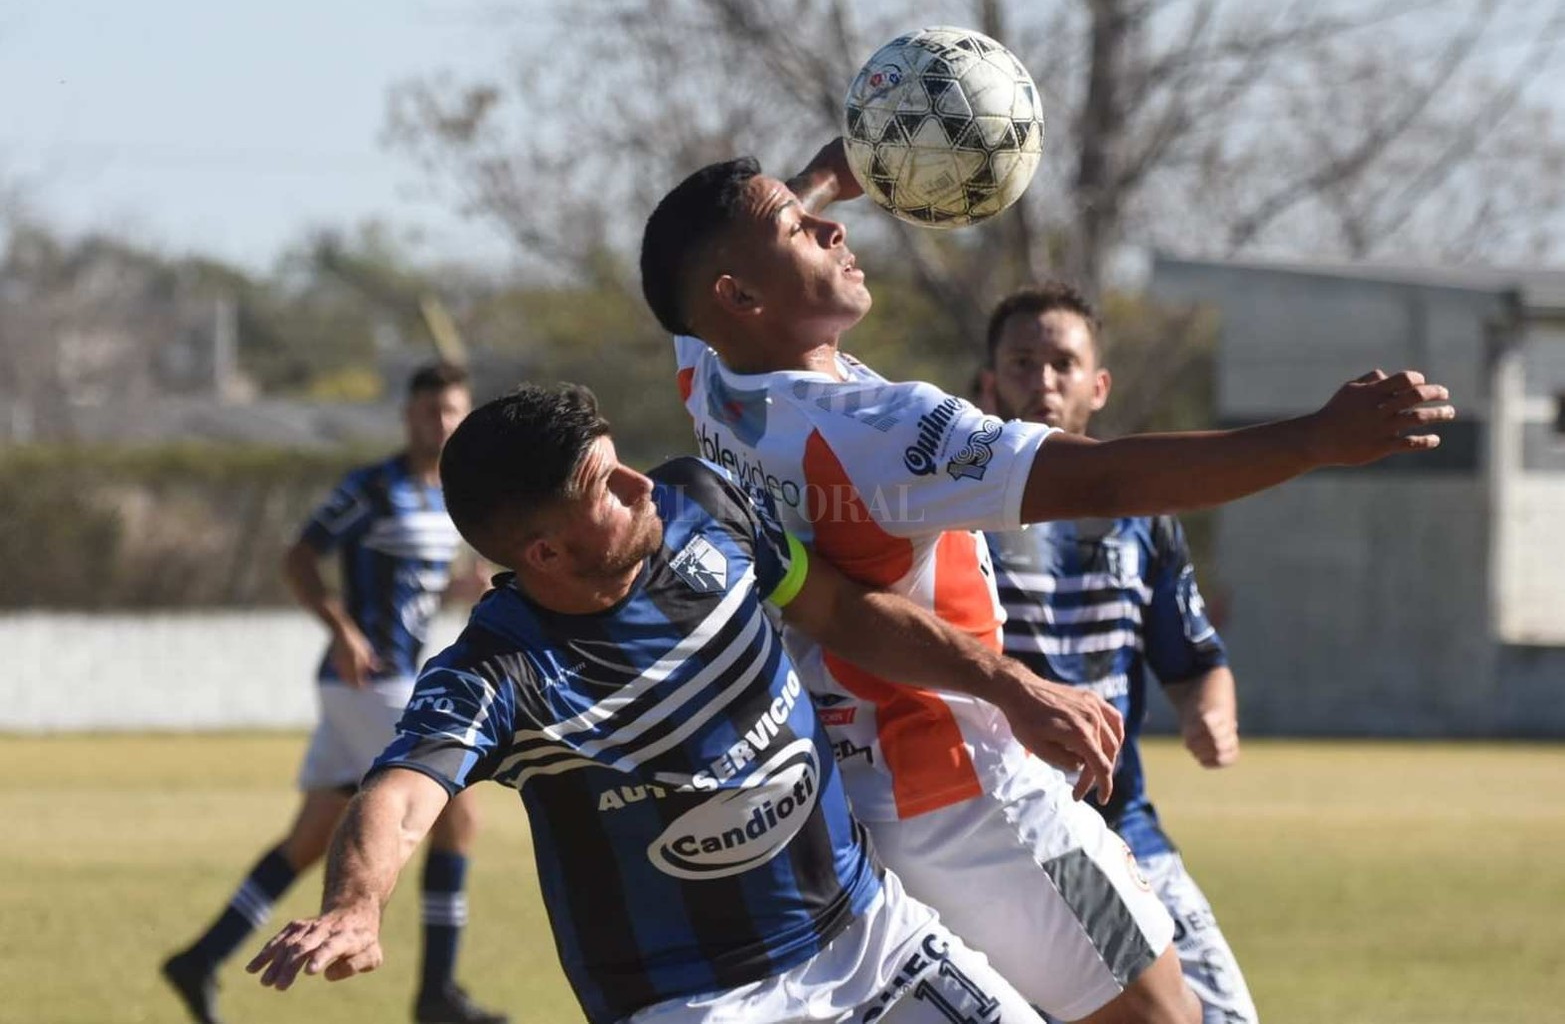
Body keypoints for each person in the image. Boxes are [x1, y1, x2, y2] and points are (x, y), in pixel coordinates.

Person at [639, 147, 1454, 1024]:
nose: (832, 231)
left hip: (847, 804)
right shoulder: (880, 431)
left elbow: (727, 268)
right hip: (973, 795)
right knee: (1162, 1016)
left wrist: (818, 183)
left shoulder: (711, 379)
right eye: (800, 231)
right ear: (740, 296)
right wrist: (1313, 440)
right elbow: (1106, 481)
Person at [244, 383, 1125, 1024]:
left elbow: (840, 612)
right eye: (605, 484)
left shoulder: (703, 505)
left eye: (620, 457)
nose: (637, 482)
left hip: (868, 936)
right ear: (544, 551)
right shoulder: (498, 668)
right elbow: (398, 795)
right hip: (692, 1003)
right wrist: (357, 904)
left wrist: (1011, 684)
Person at [162, 363, 506, 1024]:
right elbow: (298, 558)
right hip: (369, 680)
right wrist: (343, 628)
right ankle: (437, 994)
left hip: (386, 676)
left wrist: (460, 591)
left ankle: (200, 958)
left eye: (453, 411)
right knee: (456, 815)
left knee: (312, 834)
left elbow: (414, 586)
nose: (441, 422)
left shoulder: (449, 497)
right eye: (430, 410)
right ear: (408, 415)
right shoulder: (372, 487)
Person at [975, 282, 1259, 1024]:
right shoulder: (950, 515)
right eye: (1021, 362)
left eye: (1062, 363)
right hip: (1002, 829)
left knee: (1225, 1015)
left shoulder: (1143, 518)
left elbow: (1195, 658)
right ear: (987, 383)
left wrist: (1210, 717)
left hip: (1124, 822)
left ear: (1096, 386)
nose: (1042, 380)